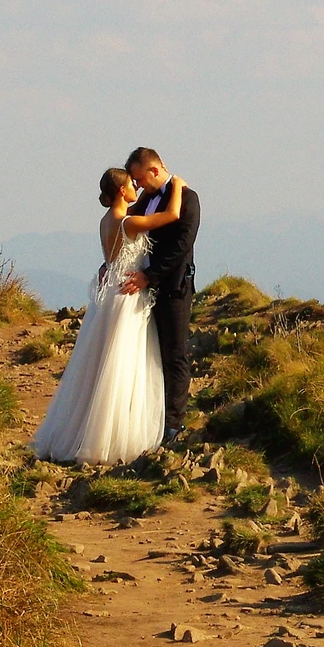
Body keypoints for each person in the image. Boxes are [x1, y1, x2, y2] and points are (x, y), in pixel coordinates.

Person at [30, 165, 187, 465]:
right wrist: (177, 186)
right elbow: (171, 216)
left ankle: (85, 433)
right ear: (121, 191)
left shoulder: (106, 220)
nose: (136, 189)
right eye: (131, 184)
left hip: (107, 296)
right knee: (123, 364)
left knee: (99, 364)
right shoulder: (128, 222)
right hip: (127, 294)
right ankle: (112, 438)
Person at [119, 147, 200, 445]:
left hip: (174, 288)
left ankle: (174, 425)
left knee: (175, 355)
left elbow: (180, 247)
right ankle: (150, 418)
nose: (137, 185)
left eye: (139, 179)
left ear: (154, 170)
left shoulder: (187, 199)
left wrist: (148, 277)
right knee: (149, 354)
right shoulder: (145, 201)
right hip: (145, 291)